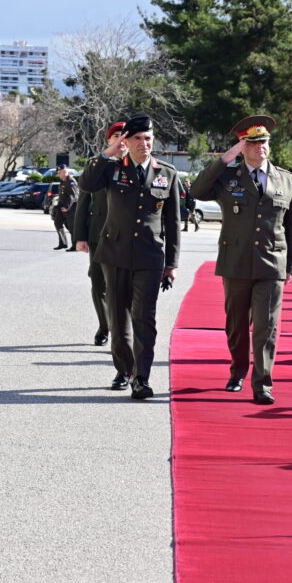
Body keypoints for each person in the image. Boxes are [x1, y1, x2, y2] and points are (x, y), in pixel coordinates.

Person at [190, 115, 292, 405]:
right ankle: (238, 371)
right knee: (236, 324)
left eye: (264, 141)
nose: (260, 147)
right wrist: (224, 159)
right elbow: (197, 190)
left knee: (267, 326)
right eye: (253, 143)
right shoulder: (228, 177)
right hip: (236, 261)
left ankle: (262, 383)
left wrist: (291, 265)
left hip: (271, 263)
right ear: (243, 146)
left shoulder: (286, 180)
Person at [78, 113, 181, 400]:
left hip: (150, 257)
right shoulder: (111, 169)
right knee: (119, 319)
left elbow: (172, 223)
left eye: (148, 138)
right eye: (137, 138)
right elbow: (86, 184)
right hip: (115, 254)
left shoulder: (167, 173)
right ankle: (124, 368)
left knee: (144, 318)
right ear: (127, 141)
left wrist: (171, 264)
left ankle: (141, 377)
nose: (143, 144)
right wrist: (108, 152)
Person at [74, 122, 125, 347]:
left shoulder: (136, 165)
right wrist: (80, 236)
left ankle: (122, 333)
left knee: (124, 287)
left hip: (125, 237)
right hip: (98, 235)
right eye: (116, 136)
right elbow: (83, 203)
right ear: (109, 140)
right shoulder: (96, 165)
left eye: (125, 136)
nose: (121, 140)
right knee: (98, 284)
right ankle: (105, 327)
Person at [53, 166, 78, 251]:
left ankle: (75, 246)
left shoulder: (71, 181)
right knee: (57, 223)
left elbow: (73, 196)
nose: (58, 174)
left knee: (71, 227)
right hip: (61, 207)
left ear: (64, 171)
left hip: (70, 208)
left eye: (59, 172)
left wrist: (67, 207)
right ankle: (63, 243)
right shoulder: (63, 182)